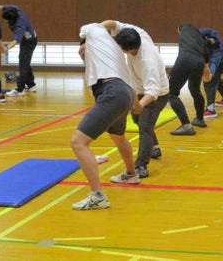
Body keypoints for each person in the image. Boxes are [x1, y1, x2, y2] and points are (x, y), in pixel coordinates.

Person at [71, 23, 141, 211]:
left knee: (78, 142)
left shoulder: (94, 30)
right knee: (118, 137)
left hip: (112, 92)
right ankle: (131, 173)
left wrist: (85, 40)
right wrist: (135, 104)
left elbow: (97, 26)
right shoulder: (116, 54)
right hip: (123, 93)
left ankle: (98, 196)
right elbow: (131, 87)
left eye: (82, 50)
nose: (82, 54)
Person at [101, 20, 169, 178]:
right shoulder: (137, 33)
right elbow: (113, 23)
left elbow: (153, 91)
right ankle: (153, 147)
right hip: (138, 89)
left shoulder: (147, 62)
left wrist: (141, 105)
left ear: (131, 49)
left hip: (157, 95)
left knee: (145, 125)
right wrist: (94, 30)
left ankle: (141, 166)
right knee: (138, 120)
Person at [169, 23, 211, 136]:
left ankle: (186, 126)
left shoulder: (184, 29)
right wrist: (206, 68)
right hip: (199, 62)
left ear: (179, 29)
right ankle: (200, 119)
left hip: (185, 59)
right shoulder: (199, 36)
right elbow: (207, 52)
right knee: (195, 90)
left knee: (171, 93)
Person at [0, 5, 37, 96]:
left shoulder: (20, 25)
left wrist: (6, 48)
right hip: (25, 39)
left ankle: (20, 89)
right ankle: (31, 85)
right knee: (24, 61)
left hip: (30, 41)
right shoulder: (13, 9)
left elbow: (15, 41)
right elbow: (0, 6)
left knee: (23, 63)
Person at [199, 28, 223, 118]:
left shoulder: (215, 47)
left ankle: (211, 110)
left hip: (219, 64)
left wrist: (211, 73)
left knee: (210, 81)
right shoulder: (202, 34)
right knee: (218, 81)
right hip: (215, 62)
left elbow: (214, 61)